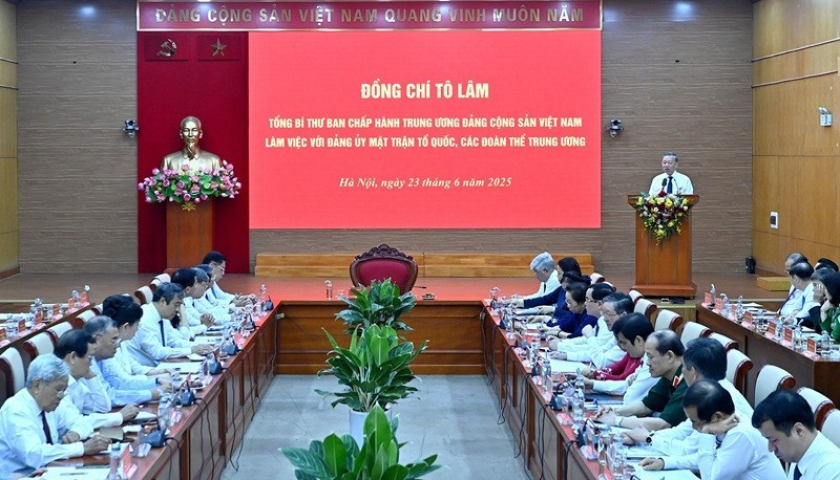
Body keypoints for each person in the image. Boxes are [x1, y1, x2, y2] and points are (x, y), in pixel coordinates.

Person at [633, 337, 753, 471]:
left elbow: (688, 450)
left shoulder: (717, 400)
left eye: (683, 367)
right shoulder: (710, 391)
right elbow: (682, 432)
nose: (681, 372)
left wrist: (649, 439)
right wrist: (646, 436)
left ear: (694, 373)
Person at [0, 355, 109, 475]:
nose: (62, 395)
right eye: (58, 389)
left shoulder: (50, 402)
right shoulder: (15, 410)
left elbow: (81, 421)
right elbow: (35, 454)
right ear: (37, 385)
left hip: (52, 470)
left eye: (64, 390)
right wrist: (82, 448)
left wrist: (75, 432)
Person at [680, 380, 786, 480]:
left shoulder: (740, 434)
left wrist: (706, 432)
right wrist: (669, 462)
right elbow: (706, 460)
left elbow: (710, 477)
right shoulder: (724, 422)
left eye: (694, 421)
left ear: (717, 417)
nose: (693, 427)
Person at [597, 330, 687, 430]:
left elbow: (663, 424)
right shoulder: (670, 375)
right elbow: (646, 406)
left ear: (669, 356)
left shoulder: (687, 379)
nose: (647, 363)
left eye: (650, 357)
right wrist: (614, 412)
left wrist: (616, 420)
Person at [54, 329, 138, 429]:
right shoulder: (57, 385)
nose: (91, 364)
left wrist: (91, 377)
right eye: (90, 358)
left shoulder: (77, 383)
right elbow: (75, 422)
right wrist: (119, 416)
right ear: (73, 357)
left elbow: (102, 408)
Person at [752, 390, 840, 480]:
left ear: (799, 431)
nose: (770, 448)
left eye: (774, 440)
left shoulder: (832, 471)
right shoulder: (799, 453)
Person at [126, 283, 215, 368]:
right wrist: (190, 350)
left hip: (162, 365)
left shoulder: (163, 316)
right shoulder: (145, 318)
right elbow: (157, 352)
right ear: (162, 302)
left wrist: (198, 346)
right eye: (176, 305)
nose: (178, 310)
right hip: (146, 371)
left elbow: (173, 341)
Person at [98, 295, 171, 396]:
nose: (138, 328)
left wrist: (157, 372)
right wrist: (156, 380)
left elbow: (134, 366)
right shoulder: (107, 350)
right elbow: (123, 382)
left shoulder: (121, 342)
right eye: (137, 324)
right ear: (126, 327)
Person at [582, 313, 657, 403]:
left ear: (638, 340)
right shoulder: (643, 357)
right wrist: (591, 384)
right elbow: (626, 385)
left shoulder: (652, 362)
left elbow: (629, 396)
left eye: (624, 343)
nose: (622, 347)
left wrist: (593, 379)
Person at [84, 316, 159, 407]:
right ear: (97, 339)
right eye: (113, 339)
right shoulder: (86, 362)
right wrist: (150, 394)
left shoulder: (101, 359)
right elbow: (109, 397)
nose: (118, 345)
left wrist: (156, 382)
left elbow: (119, 384)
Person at [553, 290, 629, 369]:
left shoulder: (627, 337)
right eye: (604, 313)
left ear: (623, 315)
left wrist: (590, 337)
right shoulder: (615, 332)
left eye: (608, 314)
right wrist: (567, 355)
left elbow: (602, 362)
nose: (605, 318)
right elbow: (598, 351)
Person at [171, 267, 216, 340]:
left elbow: (187, 329)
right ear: (188, 289)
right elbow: (185, 334)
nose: (197, 286)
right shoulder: (174, 305)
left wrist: (203, 324)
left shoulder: (182, 301)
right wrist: (204, 325)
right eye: (196, 284)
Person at [819, 272, 840, 340]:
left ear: (833, 290)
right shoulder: (833, 306)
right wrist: (823, 311)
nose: (824, 292)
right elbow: (826, 332)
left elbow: (836, 336)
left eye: (825, 288)